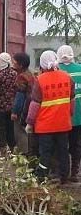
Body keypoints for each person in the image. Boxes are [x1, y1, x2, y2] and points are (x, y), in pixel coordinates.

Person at [26, 50, 75, 183]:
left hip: (45, 126)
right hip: (63, 124)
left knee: (45, 153)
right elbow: (72, 100)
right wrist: (69, 114)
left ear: (41, 65)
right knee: (63, 151)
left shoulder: (40, 80)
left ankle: (42, 176)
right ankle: (63, 176)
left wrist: (30, 123)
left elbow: (35, 104)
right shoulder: (67, 77)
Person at [57, 45, 81, 182]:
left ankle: (62, 173)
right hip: (78, 114)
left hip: (61, 116)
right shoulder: (80, 69)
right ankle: (75, 172)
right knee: (76, 144)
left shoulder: (56, 71)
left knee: (61, 145)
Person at [10, 52, 38, 158]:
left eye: (15, 62)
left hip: (23, 109)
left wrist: (15, 112)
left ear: (20, 65)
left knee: (20, 132)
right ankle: (31, 153)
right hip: (31, 107)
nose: (13, 63)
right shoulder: (30, 74)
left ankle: (25, 155)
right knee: (29, 131)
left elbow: (19, 97)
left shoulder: (21, 77)